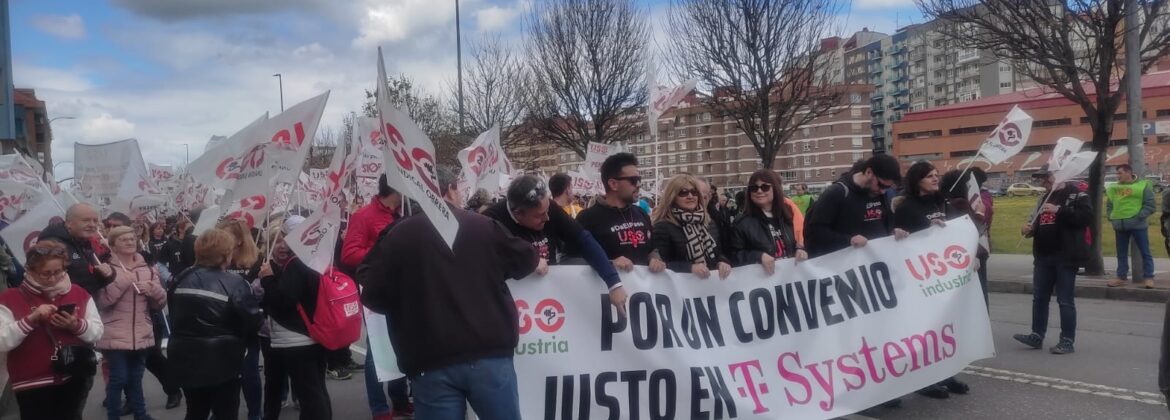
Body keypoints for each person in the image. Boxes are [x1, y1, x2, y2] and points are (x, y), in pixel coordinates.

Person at [361, 164, 540, 420]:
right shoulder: (481, 225)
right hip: (487, 353)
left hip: (429, 358)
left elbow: (372, 293)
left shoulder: (397, 235)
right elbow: (526, 259)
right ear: (451, 190)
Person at [482, 175, 628, 313]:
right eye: (540, 215)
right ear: (519, 214)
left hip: (550, 297)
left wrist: (614, 283)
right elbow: (485, 265)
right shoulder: (489, 221)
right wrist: (528, 260)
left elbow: (583, 239)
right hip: (515, 304)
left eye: (547, 211)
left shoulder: (549, 208)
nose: (547, 218)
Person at [892, 162, 971, 399]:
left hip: (942, 276)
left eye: (937, 175)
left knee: (944, 328)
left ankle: (946, 374)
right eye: (929, 176)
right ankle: (924, 380)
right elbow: (898, 242)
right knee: (924, 331)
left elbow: (957, 231)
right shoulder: (906, 208)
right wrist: (926, 230)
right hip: (919, 278)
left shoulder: (941, 202)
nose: (936, 179)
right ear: (917, 181)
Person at [168, 228, 264, 420]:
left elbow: (173, 313)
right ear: (226, 254)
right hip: (222, 359)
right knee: (225, 411)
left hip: (185, 356)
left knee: (195, 410)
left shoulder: (180, 278)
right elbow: (252, 321)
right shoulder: (235, 282)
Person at [0, 240, 102, 419]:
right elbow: (2, 341)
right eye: (46, 273)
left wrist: (75, 325)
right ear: (30, 270)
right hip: (32, 382)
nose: (53, 278)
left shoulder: (78, 292)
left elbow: (98, 331)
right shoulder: (9, 298)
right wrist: (30, 320)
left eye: (58, 271)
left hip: (74, 374)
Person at [340, 175, 408, 419]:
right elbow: (349, 254)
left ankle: (400, 399)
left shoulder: (404, 213)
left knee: (401, 343)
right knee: (377, 348)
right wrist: (385, 252)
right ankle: (379, 408)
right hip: (377, 290)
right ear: (396, 188)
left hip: (404, 289)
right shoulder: (364, 216)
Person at [259, 216, 332, 420]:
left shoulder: (296, 263)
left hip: (298, 337)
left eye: (286, 238)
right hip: (305, 335)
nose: (283, 245)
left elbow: (283, 300)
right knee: (314, 391)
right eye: (278, 240)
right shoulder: (311, 258)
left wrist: (268, 279)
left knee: (311, 395)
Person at [1014, 165, 1092, 355]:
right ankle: (1036, 335)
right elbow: (1034, 222)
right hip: (1043, 255)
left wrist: (1059, 210)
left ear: (1058, 175)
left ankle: (1067, 340)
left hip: (1066, 256)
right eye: (1040, 178)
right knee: (1039, 298)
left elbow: (1085, 218)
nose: (1043, 181)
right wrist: (1028, 229)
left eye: (1045, 177)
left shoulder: (1077, 194)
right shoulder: (1043, 198)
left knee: (1065, 300)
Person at [98, 226, 167, 420]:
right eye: (124, 239)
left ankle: (141, 415)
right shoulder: (106, 269)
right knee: (118, 378)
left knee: (136, 379)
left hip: (141, 332)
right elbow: (102, 302)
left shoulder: (148, 268)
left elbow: (160, 304)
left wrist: (153, 290)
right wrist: (123, 281)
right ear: (113, 246)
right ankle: (113, 416)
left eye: (132, 238)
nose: (130, 242)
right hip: (115, 333)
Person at [575, 153, 667, 273]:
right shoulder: (587, 218)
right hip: (610, 284)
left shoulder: (641, 213)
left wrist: (655, 259)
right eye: (633, 180)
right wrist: (609, 263)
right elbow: (571, 260)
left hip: (643, 285)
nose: (639, 185)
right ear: (613, 184)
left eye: (639, 180)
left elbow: (652, 248)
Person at [804, 154, 908, 258]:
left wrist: (893, 232)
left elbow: (883, 224)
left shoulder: (884, 194)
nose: (883, 191)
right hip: (846, 261)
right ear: (869, 172)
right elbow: (816, 231)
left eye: (888, 187)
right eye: (881, 185)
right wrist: (849, 240)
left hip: (874, 260)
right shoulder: (838, 192)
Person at [215, 218, 263, 420]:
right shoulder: (216, 261)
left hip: (245, 326)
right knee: (223, 377)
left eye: (226, 236)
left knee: (249, 374)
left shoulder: (257, 260)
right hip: (221, 326)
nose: (221, 239)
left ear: (240, 240)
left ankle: (255, 413)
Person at [651, 174, 732, 279]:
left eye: (694, 192)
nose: (690, 196)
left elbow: (717, 253)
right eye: (683, 192)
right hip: (681, 286)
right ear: (672, 196)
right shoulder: (663, 227)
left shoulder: (708, 221)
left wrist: (722, 262)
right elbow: (660, 265)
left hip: (709, 284)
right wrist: (690, 268)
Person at [729, 170, 808, 271]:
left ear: (775, 189)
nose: (759, 191)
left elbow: (797, 241)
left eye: (765, 187)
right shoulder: (742, 222)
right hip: (761, 277)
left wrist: (800, 250)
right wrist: (758, 256)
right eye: (754, 188)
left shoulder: (787, 214)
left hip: (788, 275)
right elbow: (733, 256)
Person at [941, 170, 991, 307]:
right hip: (970, 253)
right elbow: (970, 230)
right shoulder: (960, 203)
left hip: (955, 255)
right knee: (979, 292)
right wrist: (980, 213)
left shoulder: (945, 202)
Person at [1106, 164, 1156, 289]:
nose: (1117, 176)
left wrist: (1138, 217)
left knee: (1145, 252)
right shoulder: (1113, 187)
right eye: (1117, 173)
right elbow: (1110, 205)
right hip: (1119, 224)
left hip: (1138, 225)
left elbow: (1150, 205)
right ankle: (1121, 277)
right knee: (1121, 253)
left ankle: (1149, 278)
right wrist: (1111, 217)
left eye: (1120, 173)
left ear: (1128, 173)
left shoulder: (1142, 186)